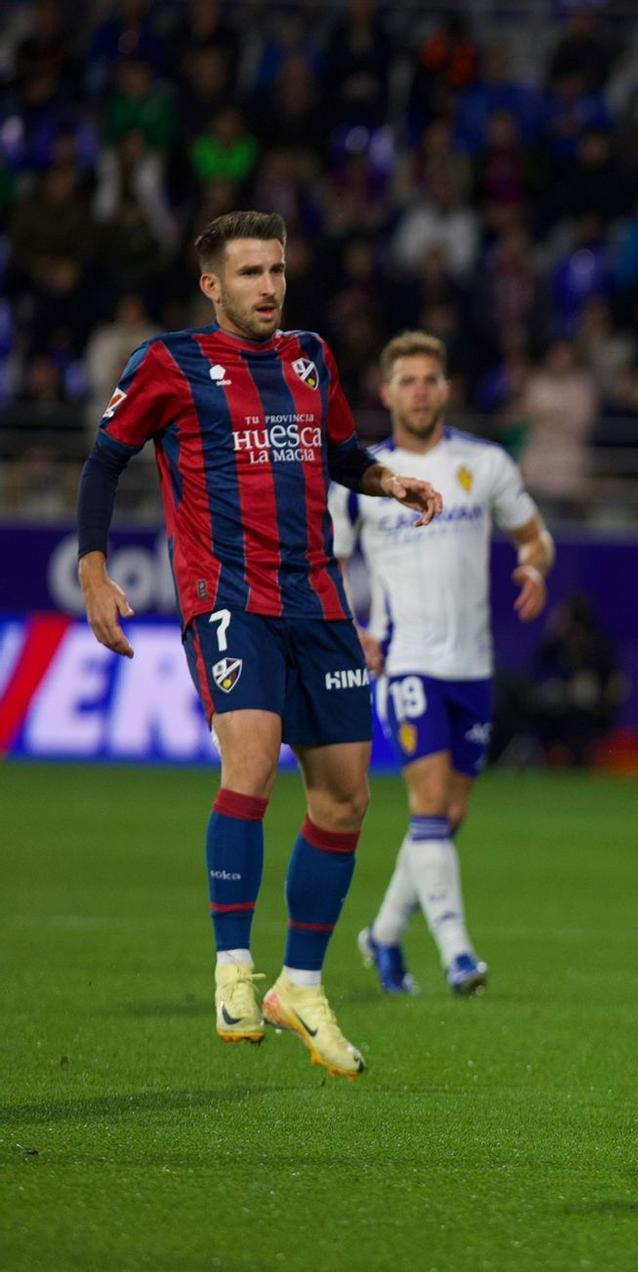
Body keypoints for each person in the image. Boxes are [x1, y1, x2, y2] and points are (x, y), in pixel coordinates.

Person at [74, 210, 443, 1079]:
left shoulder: (311, 355)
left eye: (276, 270)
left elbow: (341, 451)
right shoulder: (168, 364)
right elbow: (103, 462)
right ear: (212, 284)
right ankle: (233, 966)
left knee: (347, 797)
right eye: (249, 274)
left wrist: (386, 480)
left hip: (319, 599)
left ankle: (301, 985)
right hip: (228, 596)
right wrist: (94, 571)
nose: (269, 287)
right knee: (251, 757)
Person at [332, 330, 555, 997]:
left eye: (431, 379)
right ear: (386, 391)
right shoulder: (363, 475)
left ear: (446, 388)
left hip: (473, 667)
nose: (421, 391)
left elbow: (535, 536)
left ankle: (383, 935)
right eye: (408, 380)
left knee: (447, 816)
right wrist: (352, 631)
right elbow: (327, 564)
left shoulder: (483, 465)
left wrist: (532, 566)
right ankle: (459, 954)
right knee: (428, 806)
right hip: (407, 663)